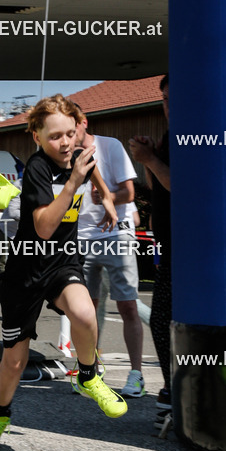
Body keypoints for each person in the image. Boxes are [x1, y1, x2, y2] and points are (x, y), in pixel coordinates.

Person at [0, 94, 128, 451]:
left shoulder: (79, 156)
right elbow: (44, 227)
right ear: (37, 137)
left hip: (63, 262)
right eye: (54, 137)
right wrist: (75, 183)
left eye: (69, 134)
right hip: (26, 270)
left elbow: (90, 165)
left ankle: (88, 375)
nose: (64, 144)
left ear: (79, 130)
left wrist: (106, 196)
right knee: (14, 361)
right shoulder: (36, 170)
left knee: (84, 312)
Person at [75, 114, 146, 397]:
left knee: (128, 306)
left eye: (72, 125)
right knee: (85, 311)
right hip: (82, 238)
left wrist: (106, 197)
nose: (67, 134)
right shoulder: (61, 153)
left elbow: (129, 193)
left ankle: (136, 375)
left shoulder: (109, 146)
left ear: (83, 122)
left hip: (116, 234)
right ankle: (90, 372)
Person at [129, 73, 171, 426]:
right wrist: (150, 156)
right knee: (164, 319)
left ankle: (175, 389)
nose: (169, 107)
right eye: (165, 99)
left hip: (186, 246)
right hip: (168, 241)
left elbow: (180, 183)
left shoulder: (194, 135)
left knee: (160, 319)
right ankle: (175, 388)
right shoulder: (172, 136)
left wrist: (150, 159)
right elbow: (160, 182)